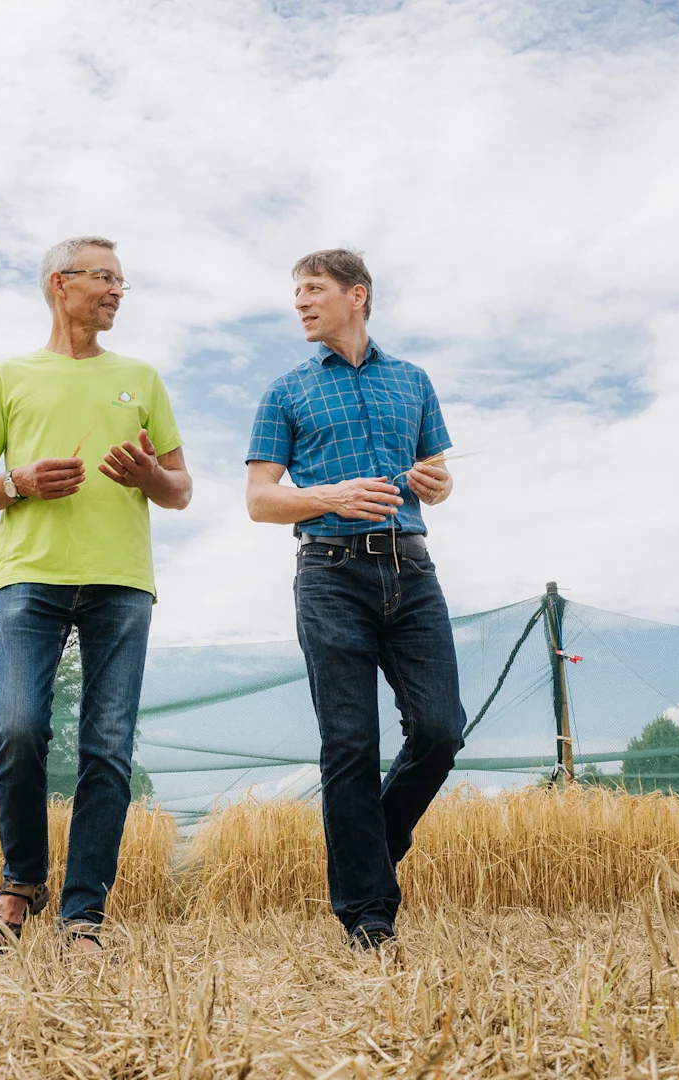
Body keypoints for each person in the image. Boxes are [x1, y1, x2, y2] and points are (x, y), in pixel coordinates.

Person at [0, 235, 192, 954]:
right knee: (19, 729)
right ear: (61, 283)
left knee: (108, 747)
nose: (118, 290)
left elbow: (180, 489)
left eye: (122, 281)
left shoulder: (141, 379)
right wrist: (19, 482)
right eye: (105, 277)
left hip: (121, 581)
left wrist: (149, 477)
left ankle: (83, 912)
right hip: (30, 577)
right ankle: (22, 881)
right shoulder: (9, 376)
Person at [243, 248, 466, 949]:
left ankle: (366, 850)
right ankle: (368, 916)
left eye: (314, 289)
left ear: (357, 295)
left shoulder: (413, 381)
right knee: (349, 742)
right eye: (297, 293)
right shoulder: (285, 392)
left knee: (440, 730)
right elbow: (260, 500)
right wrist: (332, 496)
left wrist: (436, 484)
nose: (301, 303)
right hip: (330, 574)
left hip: (412, 571)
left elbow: (437, 476)